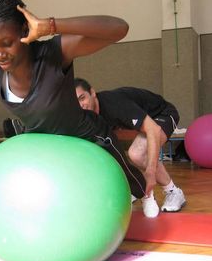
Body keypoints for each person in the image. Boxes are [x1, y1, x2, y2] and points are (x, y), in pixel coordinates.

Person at [0, 0, 152, 214]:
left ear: (24, 29)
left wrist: (51, 25)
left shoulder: (53, 54)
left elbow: (119, 29)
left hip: (89, 138)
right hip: (46, 145)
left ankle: (147, 196)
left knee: (131, 186)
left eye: (6, 43)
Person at [74, 78, 186, 217]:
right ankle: (135, 189)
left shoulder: (115, 104)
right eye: (76, 102)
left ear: (92, 93)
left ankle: (173, 192)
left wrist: (150, 172)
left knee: (138, 153)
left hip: (162, 114)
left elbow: (153, 130)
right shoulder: (88, 116)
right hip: (142, 123)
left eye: (82, 98)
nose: (81, 105)